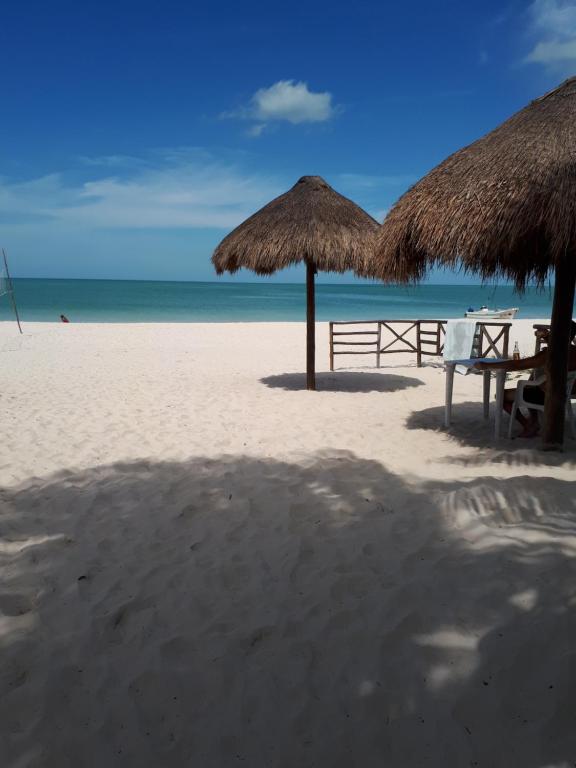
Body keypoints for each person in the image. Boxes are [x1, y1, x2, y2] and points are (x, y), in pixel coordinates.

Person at [475, 321, 576, 438]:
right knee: (533, 380)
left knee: (501, 395)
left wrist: (485, 365)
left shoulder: (550, 354)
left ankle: (528, 425)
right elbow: (562, 346)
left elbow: (517, 365)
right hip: (565, 394)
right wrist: (546, 337)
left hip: (548, 397)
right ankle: (534, 419)